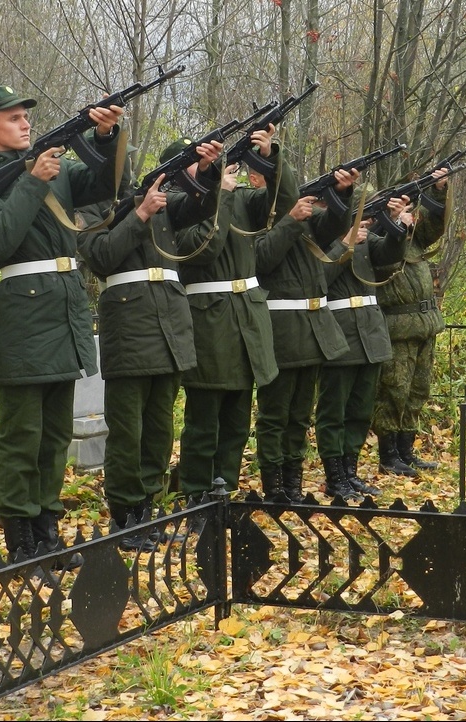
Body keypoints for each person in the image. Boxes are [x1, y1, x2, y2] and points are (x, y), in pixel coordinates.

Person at [0, 86, 124, 562]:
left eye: (26, 116)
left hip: (64, 307)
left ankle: (47, 526)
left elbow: (104, 187)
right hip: (25, 313)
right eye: (12, 118)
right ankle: (19, 535)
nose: (24, 123)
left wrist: (106, 135)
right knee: (21, 433)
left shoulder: (51, 166)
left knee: (55, 433)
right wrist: (32, 182)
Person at [77, 137, 225, 550]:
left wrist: (209, 172)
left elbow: (196, 208)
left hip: (170, 324)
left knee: (160, 428)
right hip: (129, 323)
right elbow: (102, 256)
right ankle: (126, 513)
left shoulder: (155, 198)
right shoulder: (91, 209)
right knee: (128, 428)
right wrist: (139, 214)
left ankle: (149, 505)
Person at [174, 126, 289, 500]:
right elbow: (204, 247)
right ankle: (195, 489)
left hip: (246, 320)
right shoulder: (177, 207)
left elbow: (284, 203)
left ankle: (225, 485)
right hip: (209, 320)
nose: (208, 166)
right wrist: (219, 193)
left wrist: (271, 159)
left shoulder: (238, 200)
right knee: (204, 418)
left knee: (238, 418)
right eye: (197, 164)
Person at [252, 163, 359, 501]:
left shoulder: (307, 219)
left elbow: (334, 226)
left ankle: (293, 483)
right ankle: (274, 487)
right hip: (282, 332)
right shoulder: (260, 218)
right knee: (274, 415)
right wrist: (290, 219)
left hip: (313, 329)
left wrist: (342, 193)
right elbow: (261, 260)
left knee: (299, 416)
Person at [314, 200, 409, 499]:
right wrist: (344, 245)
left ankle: (350, 473)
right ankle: (335, 477)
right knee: (334, 412)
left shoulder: (361, 234)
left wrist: (398, 231)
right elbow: (318, 279)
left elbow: (387, 257)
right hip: (340, 332)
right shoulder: (319, 234)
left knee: (360, 410)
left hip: (370, 332)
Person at [373, 171, 450, 476]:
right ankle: (389, 454)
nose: (407, 215)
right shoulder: (379, 235)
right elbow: (378, 255)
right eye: (400, 209)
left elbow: (434, 227)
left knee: (418, 391)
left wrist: (439, 190)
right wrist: (391, 221)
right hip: (398, 326)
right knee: (394, 390)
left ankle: (406, 450)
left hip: (424, 323)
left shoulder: (412, 237)